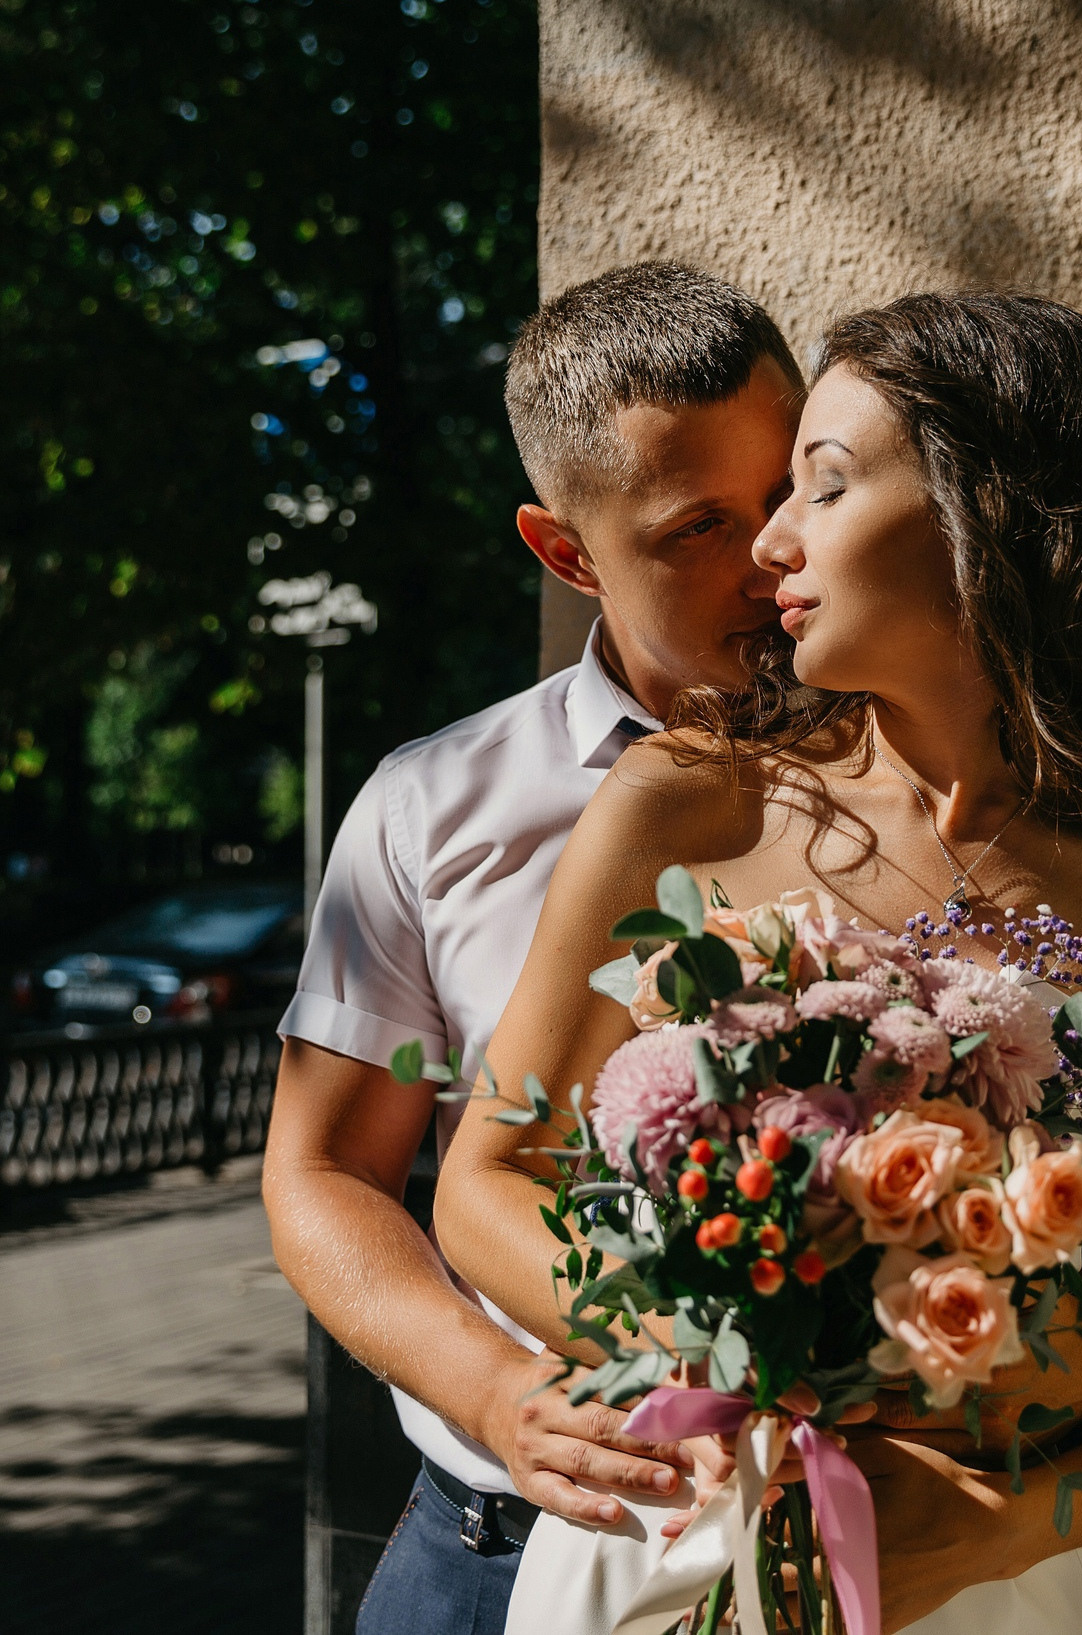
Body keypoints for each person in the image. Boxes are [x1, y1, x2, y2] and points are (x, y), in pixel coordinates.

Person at [438, 293, 1082, 1633]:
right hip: (663, 1536)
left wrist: (1015, 1525)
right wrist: (705, 1343)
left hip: (968, 1586)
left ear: (991, 521)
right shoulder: (683, 804)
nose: (772, 543)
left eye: (822, 487)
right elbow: (487, 1172)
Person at [263, 261, 808, 1633]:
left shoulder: (913, 774)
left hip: (841, 1550)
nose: (771, 558)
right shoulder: (433, 811)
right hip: (496, 1551)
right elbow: (326, 1166)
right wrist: (498, 1392)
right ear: (567, 554)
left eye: (789, 496)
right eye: (699, 527)